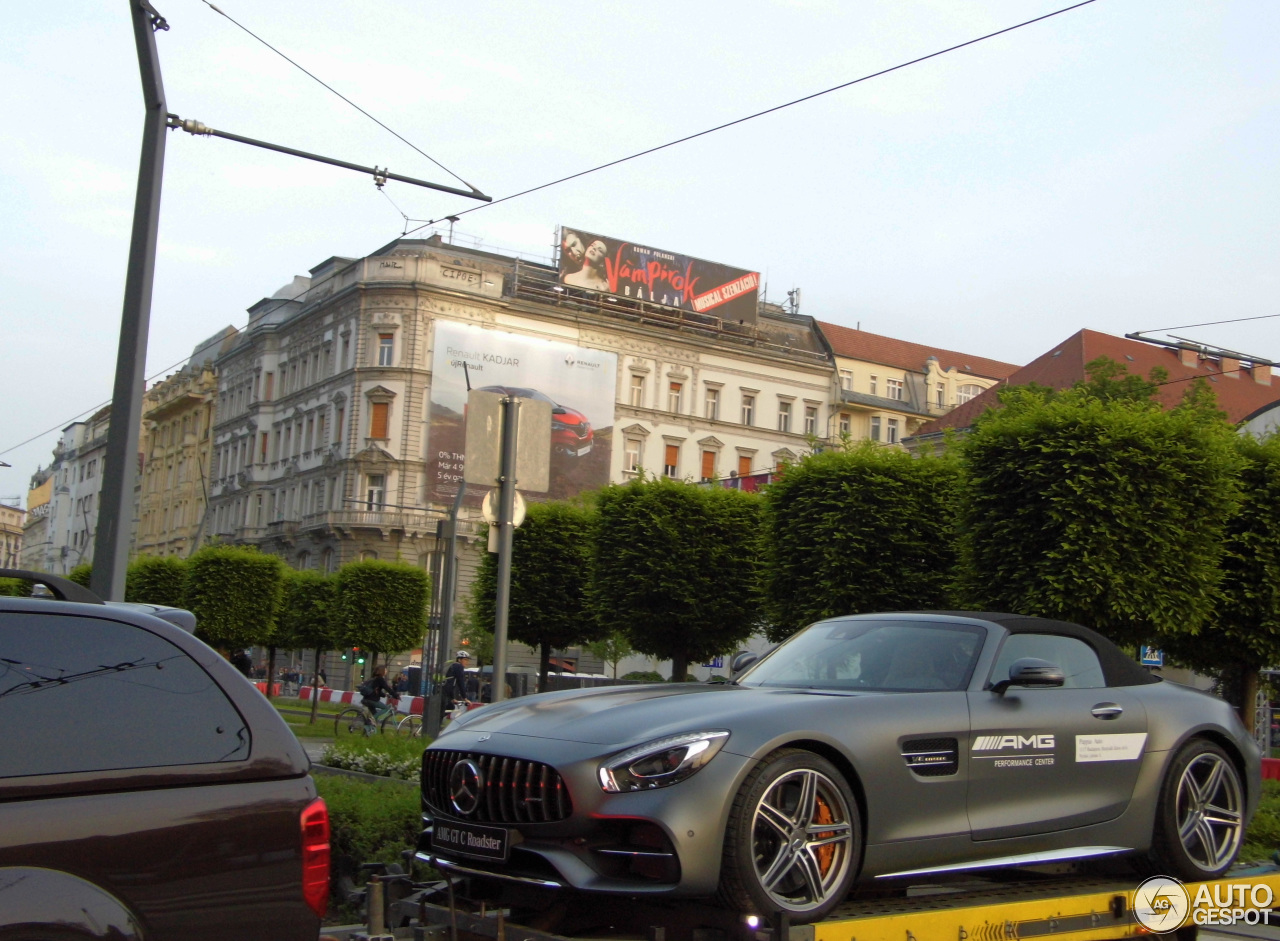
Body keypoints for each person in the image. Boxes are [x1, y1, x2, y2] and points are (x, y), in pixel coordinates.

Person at [358, 665, 400, 732]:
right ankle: (372, 719)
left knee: (375, 715)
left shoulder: (373, 678)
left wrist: (385, 695)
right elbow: (387, 688)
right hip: (372, 700)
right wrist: (396, 695)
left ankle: (368, 731)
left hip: (365, 699)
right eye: (385, 670)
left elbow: (376, 691)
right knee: (386, 708)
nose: (386, 671)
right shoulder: (380, 679)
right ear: (382, 671)